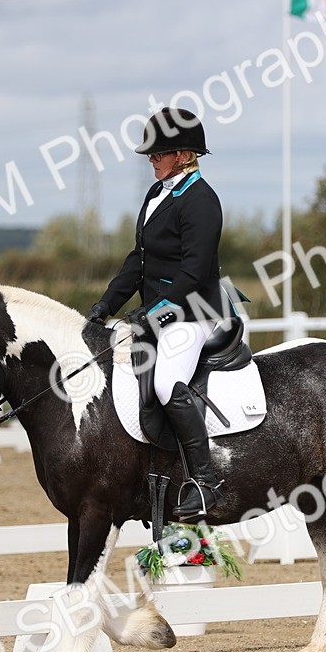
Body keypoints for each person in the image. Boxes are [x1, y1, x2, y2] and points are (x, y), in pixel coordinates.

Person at [85, 107, 229, 519]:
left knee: (166, 382)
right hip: (161, 310)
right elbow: (140, 259)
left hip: (195, 310)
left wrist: (152, 312)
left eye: (158, 153)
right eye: (151, 153)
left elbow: (194, 272)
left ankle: (205, 483)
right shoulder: (156, 194)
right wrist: (106, 305)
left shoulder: (201, 201)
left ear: (183, 155)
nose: (151, 159)